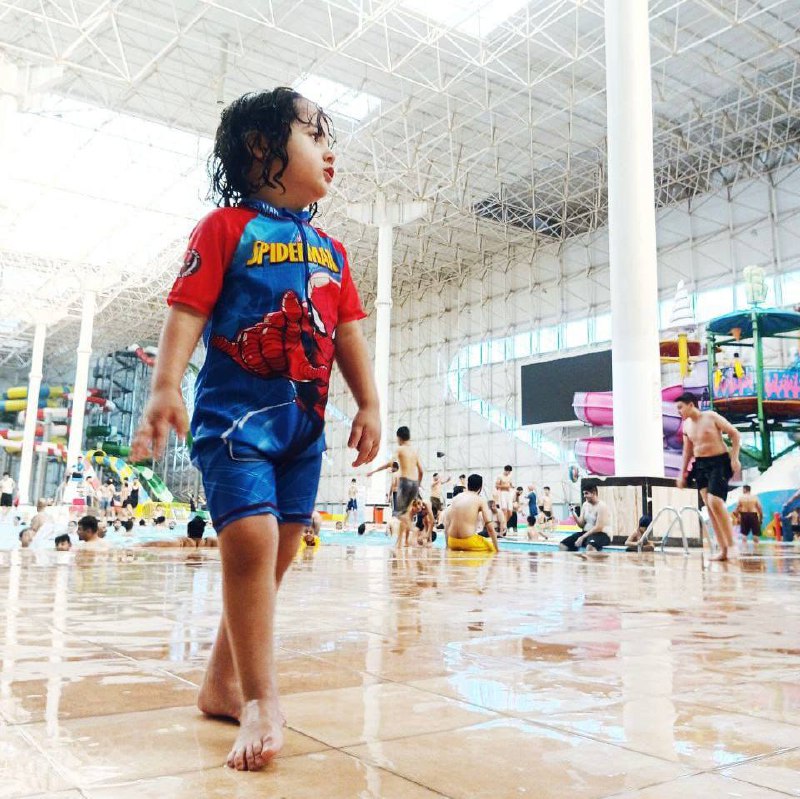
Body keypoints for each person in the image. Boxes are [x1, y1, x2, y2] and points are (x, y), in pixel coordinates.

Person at [130, 87, 380, 772]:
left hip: (302, 428)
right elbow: (187, 308)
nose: (331, 149)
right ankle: (261, 697)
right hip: (234, 418)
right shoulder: (225, 228)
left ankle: (220, 680)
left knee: (278, 552)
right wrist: (164, 383)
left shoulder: (332, 249)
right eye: (315, 134)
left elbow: (349, 332)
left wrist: (369, 403)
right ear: (262, 148)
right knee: (251, 537)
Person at [676, 391, 741, 561]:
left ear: (691, 404)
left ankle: (732, 544)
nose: (679, 411)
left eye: (680, 407)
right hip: (701, 465)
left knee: (715, 501)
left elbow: (734, 433)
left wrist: (735, 458)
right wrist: (682, 473)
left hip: (719, 462)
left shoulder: (711, 416)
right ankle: (723, 549)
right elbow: (687, 451)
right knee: (709, 507)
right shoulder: (686, 426)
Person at [368, 426, 423, 550]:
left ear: (399, 437)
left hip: (405, 482)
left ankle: (413, 529)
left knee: (398, 514)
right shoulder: (415, 450)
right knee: (406, 514)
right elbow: (421, 470)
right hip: (415, 483)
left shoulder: (400, 448)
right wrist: (418, 484)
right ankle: (399, 543)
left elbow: (390, 463)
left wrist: (374, 471)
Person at [444, 474, 499, 552]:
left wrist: (448, 546)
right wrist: (497, 549)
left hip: (452, 541)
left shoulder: (455, 498)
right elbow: (489, 527)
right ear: (480, 487)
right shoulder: (480, 500)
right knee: (491, 549)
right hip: (468, 541)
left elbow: (447, 525)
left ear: (467, 484)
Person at [560, 485, 612, 552]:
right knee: (563, 545)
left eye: (586, 493)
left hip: (602, 535)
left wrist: (582, 537)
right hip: (586, 533)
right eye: (583, 493)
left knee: (590, 547)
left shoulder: (602, 506)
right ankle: (573, 561)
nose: (584, 496)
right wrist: (573, 513)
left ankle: (596, 562)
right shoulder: (585, 505)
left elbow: (599, 527)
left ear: (594, 493)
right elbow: (581, 525)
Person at [141, 515, 220, 549]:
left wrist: (142, 545)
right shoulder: (211, 542)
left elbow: (158, 544)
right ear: (203, 530)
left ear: (188, 531)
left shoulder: (183, 542)